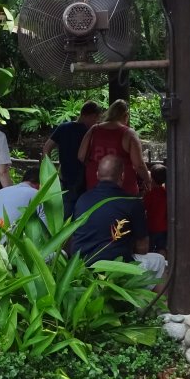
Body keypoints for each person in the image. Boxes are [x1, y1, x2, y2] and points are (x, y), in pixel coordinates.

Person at [72, 154, 167, 284]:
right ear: (122, 176)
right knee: (159, 260)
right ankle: (159, 303)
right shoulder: (132, 203)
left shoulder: (82, 199)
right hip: (116, 269)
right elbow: (143, 248)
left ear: (97, 174)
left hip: (82, 266)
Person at [76, 98, 151, 195]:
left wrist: (94, 166)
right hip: (123, 188)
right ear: (125, 115)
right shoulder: (129, 134)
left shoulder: (94, 129)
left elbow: (81, 156)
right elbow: (138, 165)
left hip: (95, 185)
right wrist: (147, 179)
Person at [43, 101, 102, 209]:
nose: (96, 122)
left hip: (64, 176)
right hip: (83, 178)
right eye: (95, 119)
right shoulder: (89, 132)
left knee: (65, 210)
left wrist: (48, 172)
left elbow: (46, 148)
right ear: (91, 116)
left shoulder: (63, 127)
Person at [143, 164, 168, 252]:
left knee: (149, 249)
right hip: (164, 227)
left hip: (151, 227)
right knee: (161, 248)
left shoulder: (149, 194)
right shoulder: (166, 193)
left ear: (151, 179)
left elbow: (143, 207)